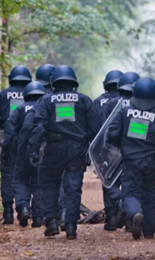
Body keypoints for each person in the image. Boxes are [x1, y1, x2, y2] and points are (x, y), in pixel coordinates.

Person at [28, 65, 101, 239]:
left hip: (54, 148)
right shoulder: (84, 100)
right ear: (73, 82)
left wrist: (33, 149)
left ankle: (52, 221)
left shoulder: (46, 101)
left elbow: (38, 127)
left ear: (54, 83)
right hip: (77, 149)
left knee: (49, 184)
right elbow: (97, 128)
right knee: (73, 187)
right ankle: (70, 226)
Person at [107, 77, 155, 240]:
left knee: (131, 192)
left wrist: (120, 145)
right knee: (149, 193)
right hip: (151, 162)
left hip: (131, 162)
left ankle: (135, 213)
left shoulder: (125, 112)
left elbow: (112, 134)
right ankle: (149, 230)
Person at [98, 71, 140, 231]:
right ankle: (130, 219)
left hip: (113, 151)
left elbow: (103, 129)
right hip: (136, 151)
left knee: (109, 183)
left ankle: (111, 220)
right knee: (134, 185)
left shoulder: (111, 104)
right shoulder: (144, 104)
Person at [0, 66, 32, 224]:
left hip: (9, 141)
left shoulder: (3, 95)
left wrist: (1, 141)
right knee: (27, 176)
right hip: (29, 140)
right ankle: (25, 208)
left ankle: (8, 213)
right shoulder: (34, 94)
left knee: (8, 176)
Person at [5, 81, 46, 227]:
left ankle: (23, 208)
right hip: (42, 152)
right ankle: (38, 218)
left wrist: (6, 150)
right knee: (38, 183)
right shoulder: (46, 108)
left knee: (20, 180)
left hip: (22, 152)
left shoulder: (20, 108)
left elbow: (9, 129)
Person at [93, 69, 124, 231]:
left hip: (106, 149)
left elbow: (93, 127)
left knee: (108, 181)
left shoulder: (98, 102)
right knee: (128, 181)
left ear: (106, 84)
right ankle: (128, 211)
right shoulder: (131, 101)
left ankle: (111, 218)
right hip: (128, 148)